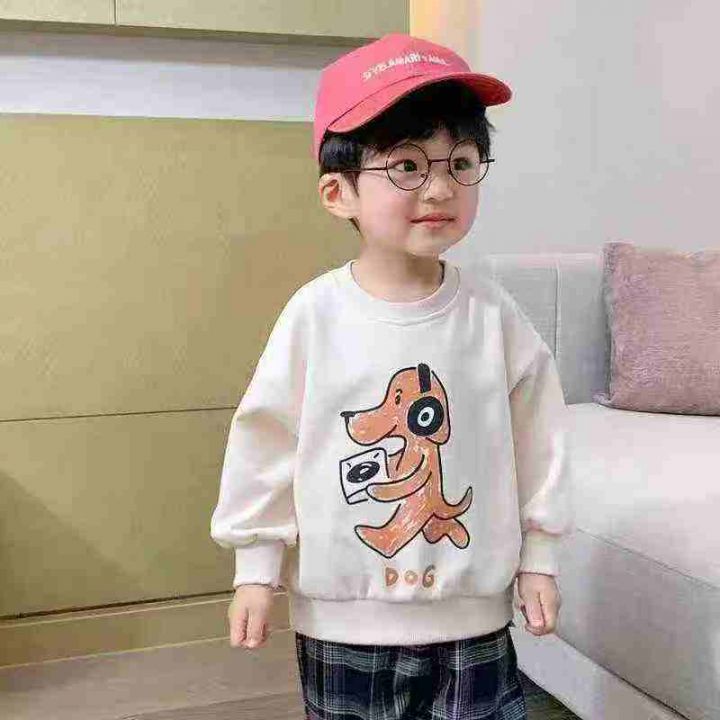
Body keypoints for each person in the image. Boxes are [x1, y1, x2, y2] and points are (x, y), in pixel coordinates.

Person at [210, 32, 574, 719]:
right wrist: (255, 569)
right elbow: (265, 443)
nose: (440, 187)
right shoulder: (314, 316)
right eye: (406, 164)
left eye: (460, 163)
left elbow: (540, 440)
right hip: (343, 621)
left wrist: (540, 558)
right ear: (337, 192)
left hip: (473, 618)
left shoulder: (492, 315)